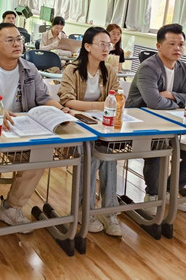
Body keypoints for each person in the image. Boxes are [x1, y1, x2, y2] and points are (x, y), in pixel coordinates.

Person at [0, 23, 70, 238]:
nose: (17, 44)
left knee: (42, 153)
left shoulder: (29, 69)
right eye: (10, 40)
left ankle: (11, 208)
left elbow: (44, 97)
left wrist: (61, 110)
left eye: (19, 39)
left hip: (21, 129)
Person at [125, 23, 186, 214]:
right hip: (140, 125)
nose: (177, 48)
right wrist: (178, 102)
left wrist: (171, 95)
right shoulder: (149, 67)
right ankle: (153, 195)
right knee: (159, 147)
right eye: (172, 44)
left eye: (181, 44)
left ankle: (170, 191)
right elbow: (154, 102)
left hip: (171, 125)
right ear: (158, 46)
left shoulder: (183, 67)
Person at [58, 27, 122, 237]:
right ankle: (84, 210)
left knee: (109, 155)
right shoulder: (72, 70)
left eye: (108, 45)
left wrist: (102, 106)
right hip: (76, 128)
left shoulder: (110, 71)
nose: (106, 48)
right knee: (91, 155)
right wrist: (100, 105)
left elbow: (117, 100)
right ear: (87, 46)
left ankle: (109, 212)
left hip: (102, 128)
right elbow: (67, 100)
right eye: (101, 44)